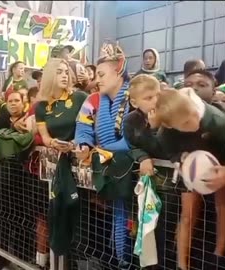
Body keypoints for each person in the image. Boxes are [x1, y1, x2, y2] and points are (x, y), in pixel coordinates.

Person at [74, 42, 134, 268]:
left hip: (135, 174)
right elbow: (83, 125)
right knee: (105, 224)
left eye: (101, 74)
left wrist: (101, 151)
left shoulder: (135, 94)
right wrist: (83, 143)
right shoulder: (94, 100)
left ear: (119, 68)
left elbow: (134, 137)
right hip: (109, 174)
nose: (96, 80)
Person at [153, 88, 225, 269]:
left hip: (221, 161)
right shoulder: (165, 132)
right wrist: (181, 158)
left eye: (193, 115)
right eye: (186, 123)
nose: (194, 122)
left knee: (223, 207)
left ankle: (219, 255)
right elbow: (168, 148)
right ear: (171, 126)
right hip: (193, 168)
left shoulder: (218, 121)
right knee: (188, 214)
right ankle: (181, 265)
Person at [34, 57, 88, 264]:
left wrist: (74, 143)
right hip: (55, 168)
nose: (65, 75)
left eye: (67, 71)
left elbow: (89, 128)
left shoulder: (81, 97)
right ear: (50, 76)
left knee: (81, 220)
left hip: (81, 166)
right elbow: (45, 136)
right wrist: (53, 143)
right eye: (60, 71)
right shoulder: (41, 107)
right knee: (56, 216)